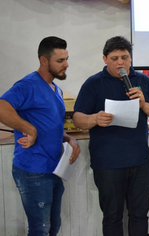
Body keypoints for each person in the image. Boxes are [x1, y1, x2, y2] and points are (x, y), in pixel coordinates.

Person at [72, 36, 149, 236]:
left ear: (131, 59)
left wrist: (144, 104)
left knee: (140, 215)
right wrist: (95, 119)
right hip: (107, 164)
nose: (120, 62)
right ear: (105, 59)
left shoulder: (142, 81)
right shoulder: (93, 83)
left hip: (140, 162)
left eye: (125, 57)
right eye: (115, 58)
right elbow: (78, 118)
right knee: (112, 217)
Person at [0, 36, 81, 236]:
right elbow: (2, 107)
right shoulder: (27, 85)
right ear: (44, 60)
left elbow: (51, 126)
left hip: (54, 169)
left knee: (53, 227)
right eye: (60, 61)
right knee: (40, 229)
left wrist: (69, 139)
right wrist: (30, 129)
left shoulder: (56, 89)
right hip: (33, 169)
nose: (66, 65)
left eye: (67, 59)